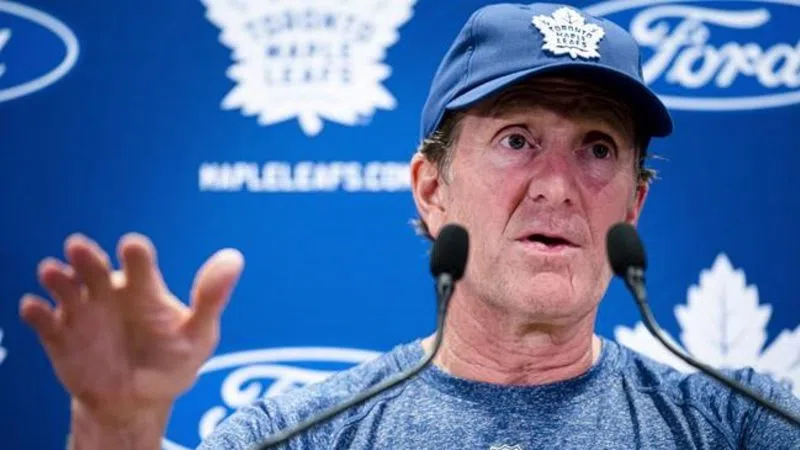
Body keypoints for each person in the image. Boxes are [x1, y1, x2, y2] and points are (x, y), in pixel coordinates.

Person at [19, 3, 800, 449]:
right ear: (432, 189)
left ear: (632, 206)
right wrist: (116, 426)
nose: (559, 187)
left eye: (598, 148)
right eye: (517, 140)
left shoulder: (739, 425)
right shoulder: (304, 433)